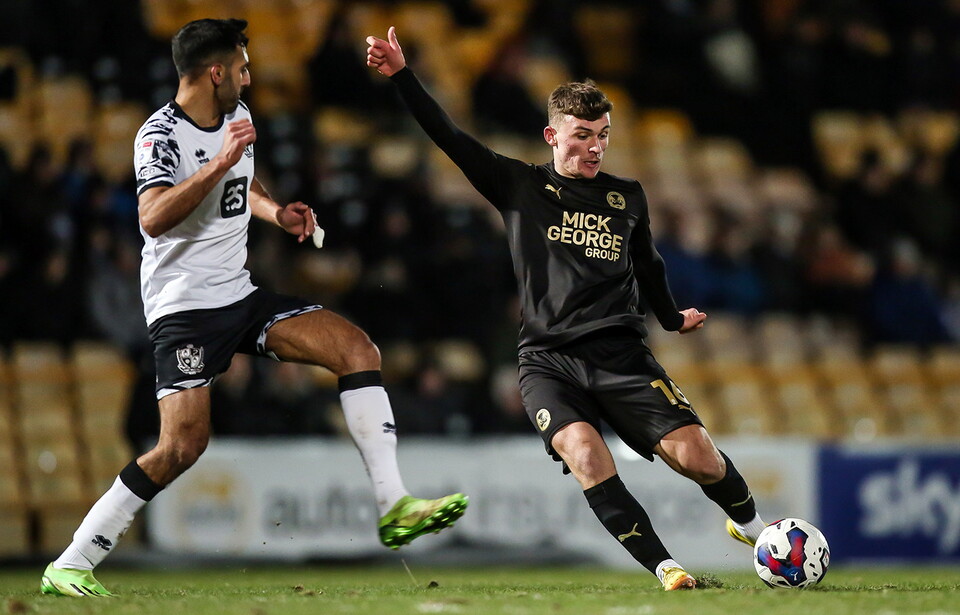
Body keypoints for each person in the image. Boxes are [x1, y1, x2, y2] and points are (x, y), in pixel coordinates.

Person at [40, 19, 467, 598]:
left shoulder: (236, 117)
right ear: (215, 73)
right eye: (241, 68)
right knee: (182, 446)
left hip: (239, 295)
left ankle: (395, 506)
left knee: (357, 349)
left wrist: (276, 213)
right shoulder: (158, 135)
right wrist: (218, 163)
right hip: (185, 309)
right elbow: (153, 217)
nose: (249, 77)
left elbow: (244, 181)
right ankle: (72, 561)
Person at [366, 27, 766, 591]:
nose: (595, 147)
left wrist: (673, 318)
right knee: (584, 451)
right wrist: (403, 76)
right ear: (552, 135)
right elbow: (448, 136)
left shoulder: (627, 196)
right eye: (583, 136)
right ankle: (667, 568)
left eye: (603, 136)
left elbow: (648, 265)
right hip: (547, 362)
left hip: (620, 354)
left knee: (698, 458)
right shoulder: (519, 186)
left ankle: (755, 528)